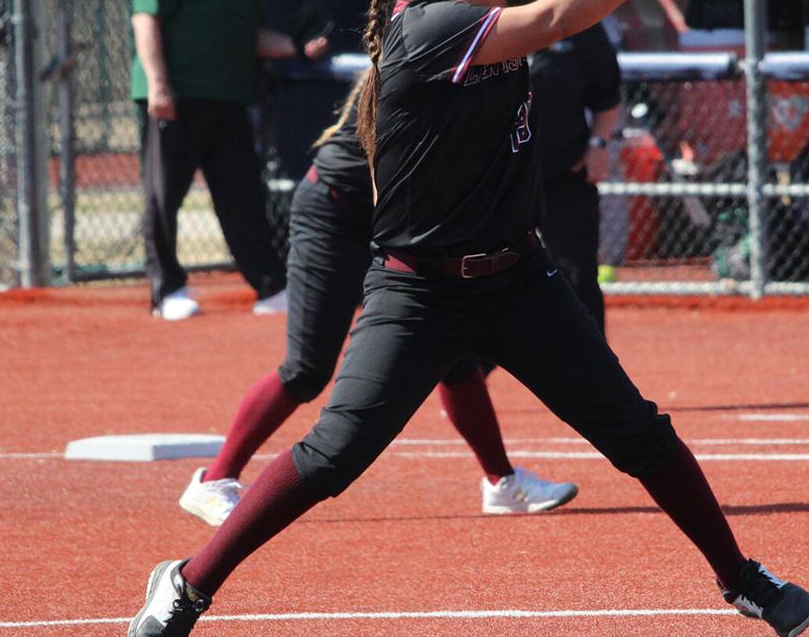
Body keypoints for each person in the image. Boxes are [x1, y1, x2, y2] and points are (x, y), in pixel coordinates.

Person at [129, 0, 809, 637]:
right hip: (418, 289)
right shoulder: (427, 28)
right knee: (332, 455)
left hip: (519, 281)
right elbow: (563, 7)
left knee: (638, 432)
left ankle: (741, 578)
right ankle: (188, 584)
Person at [178, 71, 578, 526]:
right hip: (337, 211)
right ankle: (214, 479)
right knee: (307, 369)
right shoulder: (435, 57)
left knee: (456, 350)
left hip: (395, 219)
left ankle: (502, 482)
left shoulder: (475, 63)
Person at [131, 0, 329, 321]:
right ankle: (167, 290)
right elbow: (146, 21)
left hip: (230, 97)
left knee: (242, 195)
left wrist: (297, 48)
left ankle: (268, 286)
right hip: (174, 99)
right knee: (164, 197)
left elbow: (251, 36)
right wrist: (158, 85)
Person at [516, 0, 622, 332]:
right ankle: (463, 382)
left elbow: (607, 96)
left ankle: (595, 386)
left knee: (578, 279)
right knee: (481, 286)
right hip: (501, 180)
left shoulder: (576, 21)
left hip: (564, 173)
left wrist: (599, 144)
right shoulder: (486, 20)